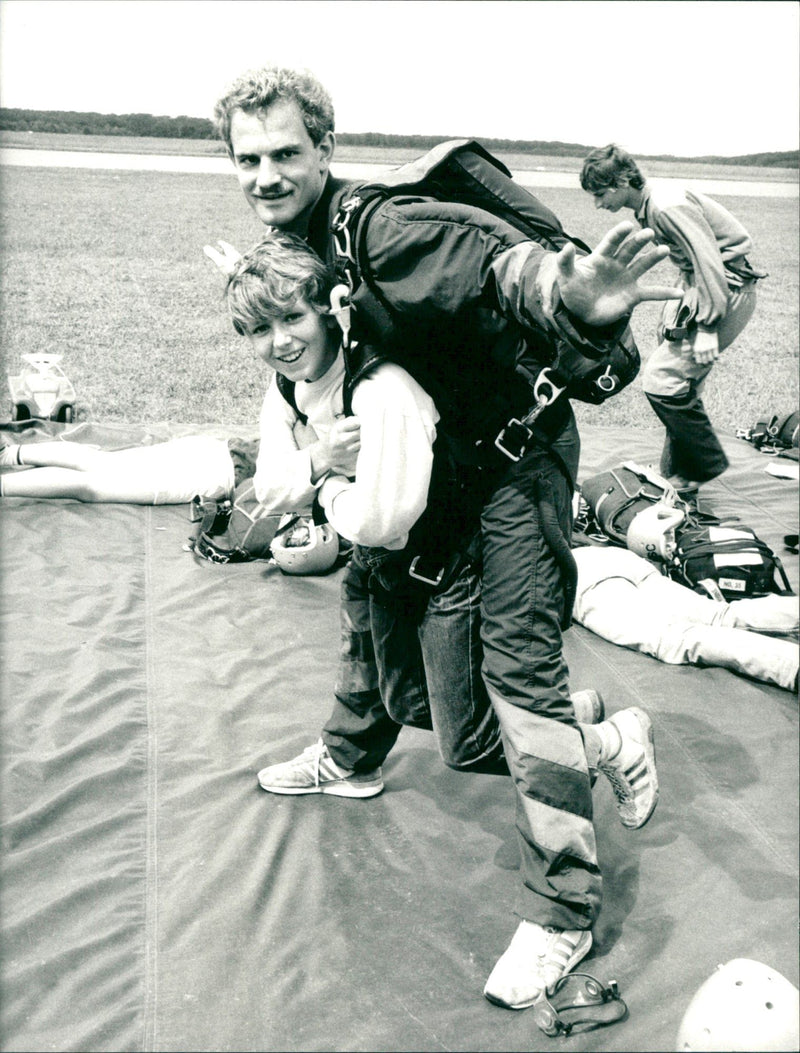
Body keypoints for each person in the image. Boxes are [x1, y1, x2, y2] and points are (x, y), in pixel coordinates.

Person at [212, 65, 684, 1009]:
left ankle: (564, 910)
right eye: (248, 158)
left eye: (286, 154)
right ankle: (349, 758)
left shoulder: (384, 231)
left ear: (326, 148)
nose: (266, 175)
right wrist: (314, 448)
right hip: (432, 456)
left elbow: (496, 271)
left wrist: (565, 292)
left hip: (511, 466)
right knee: (371, 597)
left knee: (519, 675)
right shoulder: (303, 251)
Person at [580, 144, 767, 497]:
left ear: (622, 181)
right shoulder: (652, 203)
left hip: (726, 289)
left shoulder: (666, 206)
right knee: (681, 384)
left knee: (662, 380)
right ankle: (677, 475)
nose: (598, 204)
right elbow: (695, 265)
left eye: (601, 193)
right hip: (708, 286)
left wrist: (708, 326)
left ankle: (705, 464)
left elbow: (709, 261)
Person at [572, 544, 799, 692]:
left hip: (581, 578)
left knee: (684, 639)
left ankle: (792, 667)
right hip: (610, 557)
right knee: (719, 615)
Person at [0, 433, 258, 503]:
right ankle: (6, 467)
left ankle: (9, 454)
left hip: (221, 450)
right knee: (92, 487)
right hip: (219, 472)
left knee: (99, 465)